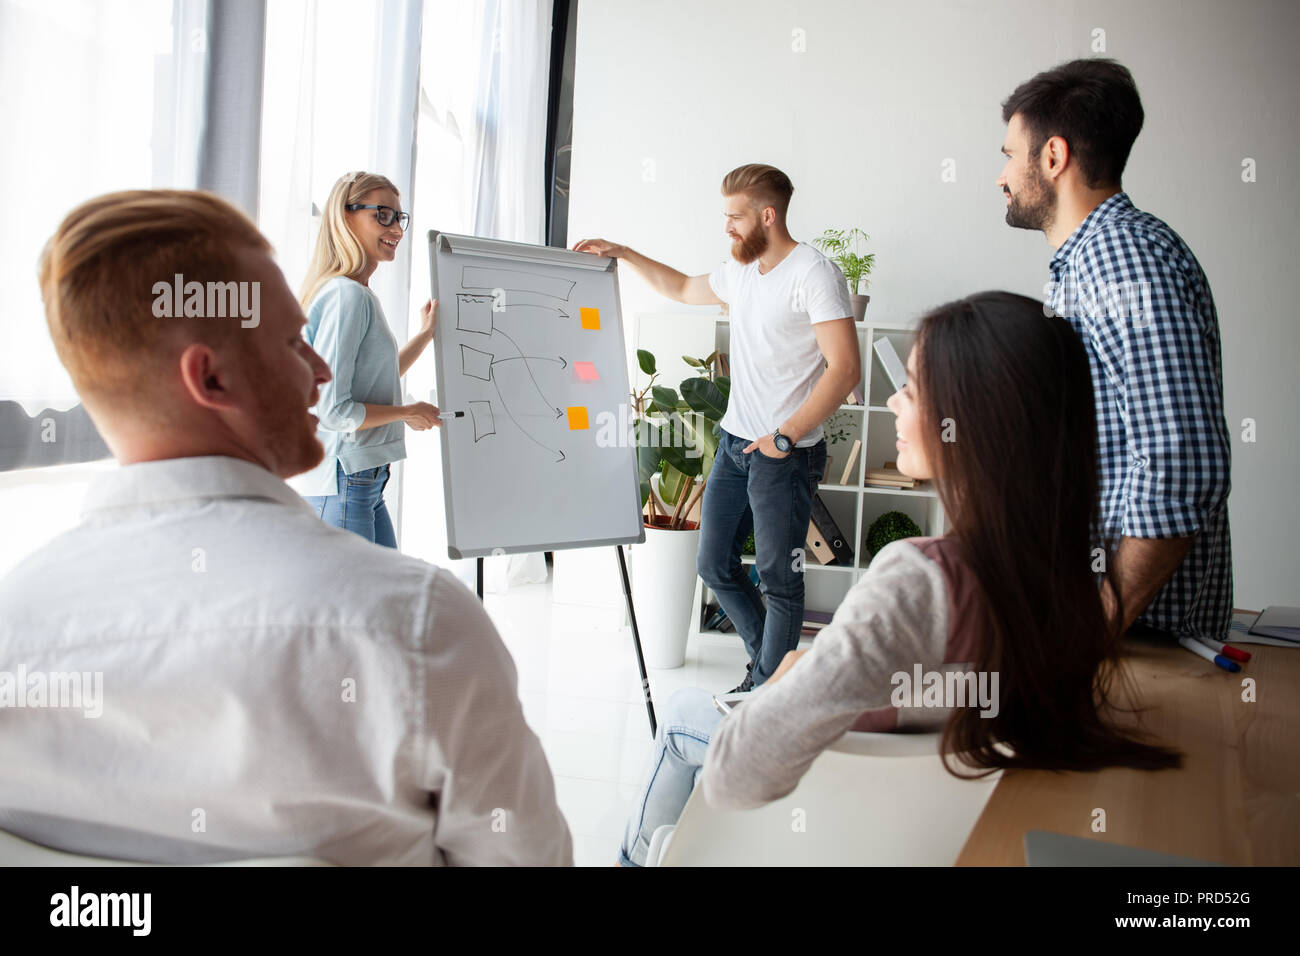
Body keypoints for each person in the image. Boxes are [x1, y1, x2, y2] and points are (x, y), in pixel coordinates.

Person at [0, 189, 571, 866]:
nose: (321, 370)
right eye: (294, 342)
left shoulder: (15, 628)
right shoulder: (416, 627)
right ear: (210, 378)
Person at [617, 292, 1181, 867]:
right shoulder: (1077, 577)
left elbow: (740, 774)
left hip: (835, 799)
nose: (890, 401)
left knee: (685, 712)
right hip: (937, 823)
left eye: (910, 387)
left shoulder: (920, 580)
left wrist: (787, 681)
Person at [574, 164, 860, 692]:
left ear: (767, 216)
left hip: (785, 453)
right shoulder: (743, 271)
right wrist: (625, 253)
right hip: (734, 444)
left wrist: (784, 436)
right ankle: (772, 675)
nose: (726, 227)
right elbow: (683, 287)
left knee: (779, 579)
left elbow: (844, 369)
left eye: (735, 217)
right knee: (714, 564)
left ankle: (762, 692)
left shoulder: (814, 274)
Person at [996, 59, 1233, 642]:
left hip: (1135, 633)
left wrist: (1101, 621)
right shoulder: (1088, 262)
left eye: (1008, 155)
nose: (1000, 177)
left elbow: (1181, 462)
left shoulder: (1121, 260)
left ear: (1052, 157)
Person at [295, 170, 443, 547]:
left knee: (384, 599)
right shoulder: (348, 297)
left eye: (399, 217)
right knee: (359, 603)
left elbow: (378, 377)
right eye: (383, 215)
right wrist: (407, 413)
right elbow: (335, 410)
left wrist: (425, 336)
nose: (396, 228)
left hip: (362, 480)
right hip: (344, 479)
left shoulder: (353, 294)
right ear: (346, 217)